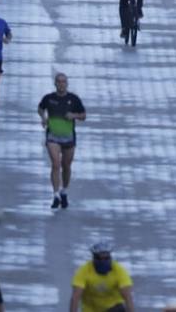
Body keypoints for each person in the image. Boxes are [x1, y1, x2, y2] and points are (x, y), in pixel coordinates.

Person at [38, 72, 86, 209]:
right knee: (55, 164)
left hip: (69, 138)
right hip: (53, 137)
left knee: (66, 166)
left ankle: (64, 191)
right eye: (59, 81)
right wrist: (43, 117)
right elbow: (40, 108)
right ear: (55, 83)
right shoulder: (49, 98)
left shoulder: (74, 99)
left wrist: (74, 115)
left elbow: (83, 115)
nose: (61, 84)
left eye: (64, 82)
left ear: (67, 84)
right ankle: (55, 194)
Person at [69, 242, 135, 312]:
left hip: (113, 308)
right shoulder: (84, 271)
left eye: (106, 258)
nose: (103, 261)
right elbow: (75, 298)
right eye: (99, 258)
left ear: (110, 258)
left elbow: (128, 297)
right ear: (94, 258)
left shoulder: (119, 271)